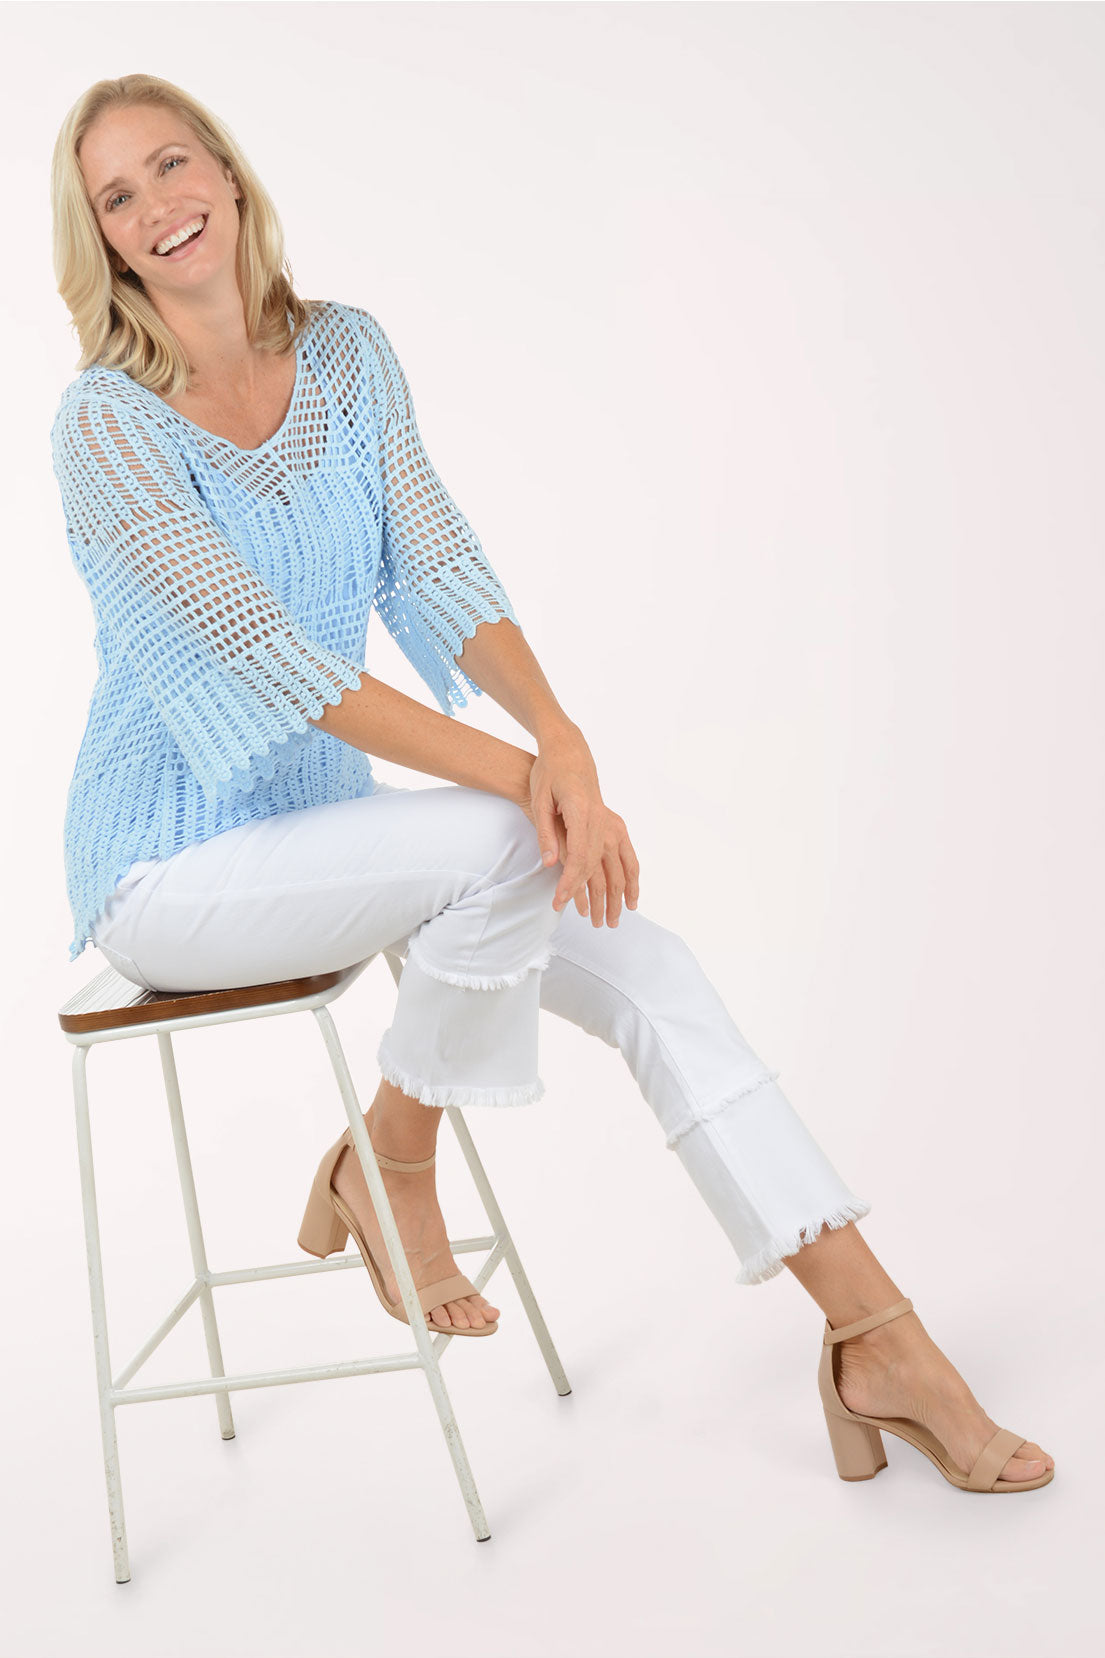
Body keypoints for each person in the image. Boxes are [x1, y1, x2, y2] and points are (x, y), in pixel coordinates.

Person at [48, 74, 1053, 1493]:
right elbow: (278, 666)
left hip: (333, 838)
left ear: (226, 167)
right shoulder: (104, 428)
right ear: (95, 240)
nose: (159, 206)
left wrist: (560, 741)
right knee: (503, 842)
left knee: (652, 966)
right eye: (117, 195)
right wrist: (527, 784)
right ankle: (396, 1158)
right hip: (172, 874)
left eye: (171, 164)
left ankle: (877, 1334)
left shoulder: (343, 354)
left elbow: (436, 562)